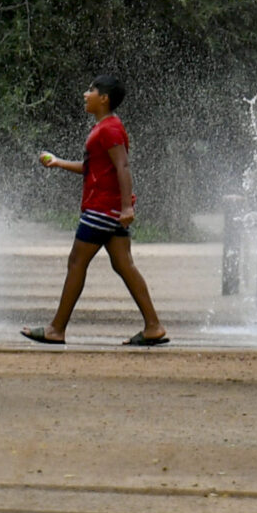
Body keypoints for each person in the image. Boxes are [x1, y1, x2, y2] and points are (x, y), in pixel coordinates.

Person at [21, 75, 169, 346]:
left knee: (76, 262)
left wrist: (126, 206)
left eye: (91, 90)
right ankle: (153, 326)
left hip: (102, 209)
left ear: (104, 98)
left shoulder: (109, 129)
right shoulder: (104, 128)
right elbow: (94, 168)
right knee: (124, 265)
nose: (85, 94)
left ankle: (56, 328)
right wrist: (58, 163)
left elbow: (123, 166)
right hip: (110, 210)